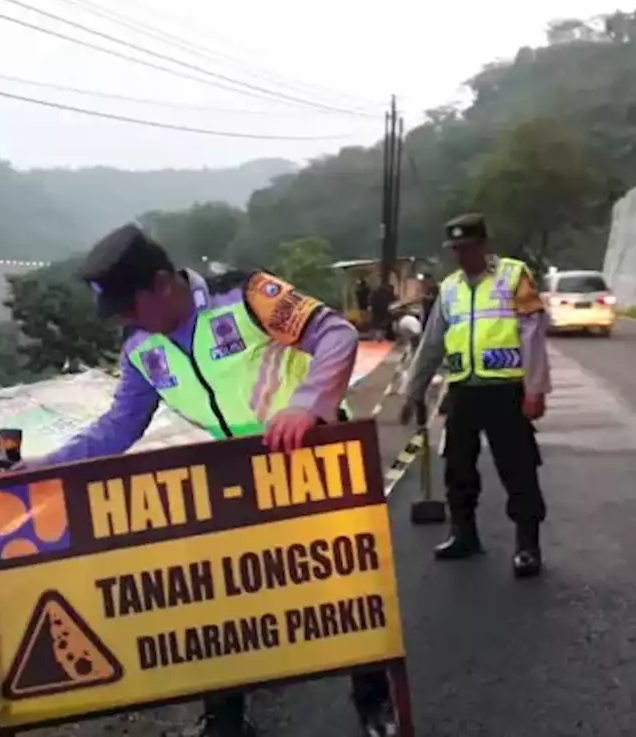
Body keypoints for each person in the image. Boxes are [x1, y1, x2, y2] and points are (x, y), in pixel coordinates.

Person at [39, 224, 397, 737]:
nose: (124, 319)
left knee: (348, 589)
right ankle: (225, 719)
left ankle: (373, 702)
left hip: (312, 459)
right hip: (236, 475)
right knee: (223, 601)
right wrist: (44, 467)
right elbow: (118, 426)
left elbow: (335, 334)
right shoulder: (142, 346)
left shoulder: (248, 295)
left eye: (129, 305)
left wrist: (307, 405)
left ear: (163, 283)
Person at [399, 213, 551, 575]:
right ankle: (464, 534)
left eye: (467, 248)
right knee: (457, 466)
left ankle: (527, 544)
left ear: (484, 245)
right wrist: (412, 391)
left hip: (506, 391)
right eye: (455, 249)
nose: (461, 256)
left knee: (518, 469)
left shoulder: (514, 276)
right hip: (464, 390)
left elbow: (534, 335)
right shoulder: (450, 287)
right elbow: (433, 342)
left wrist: (535, 388)